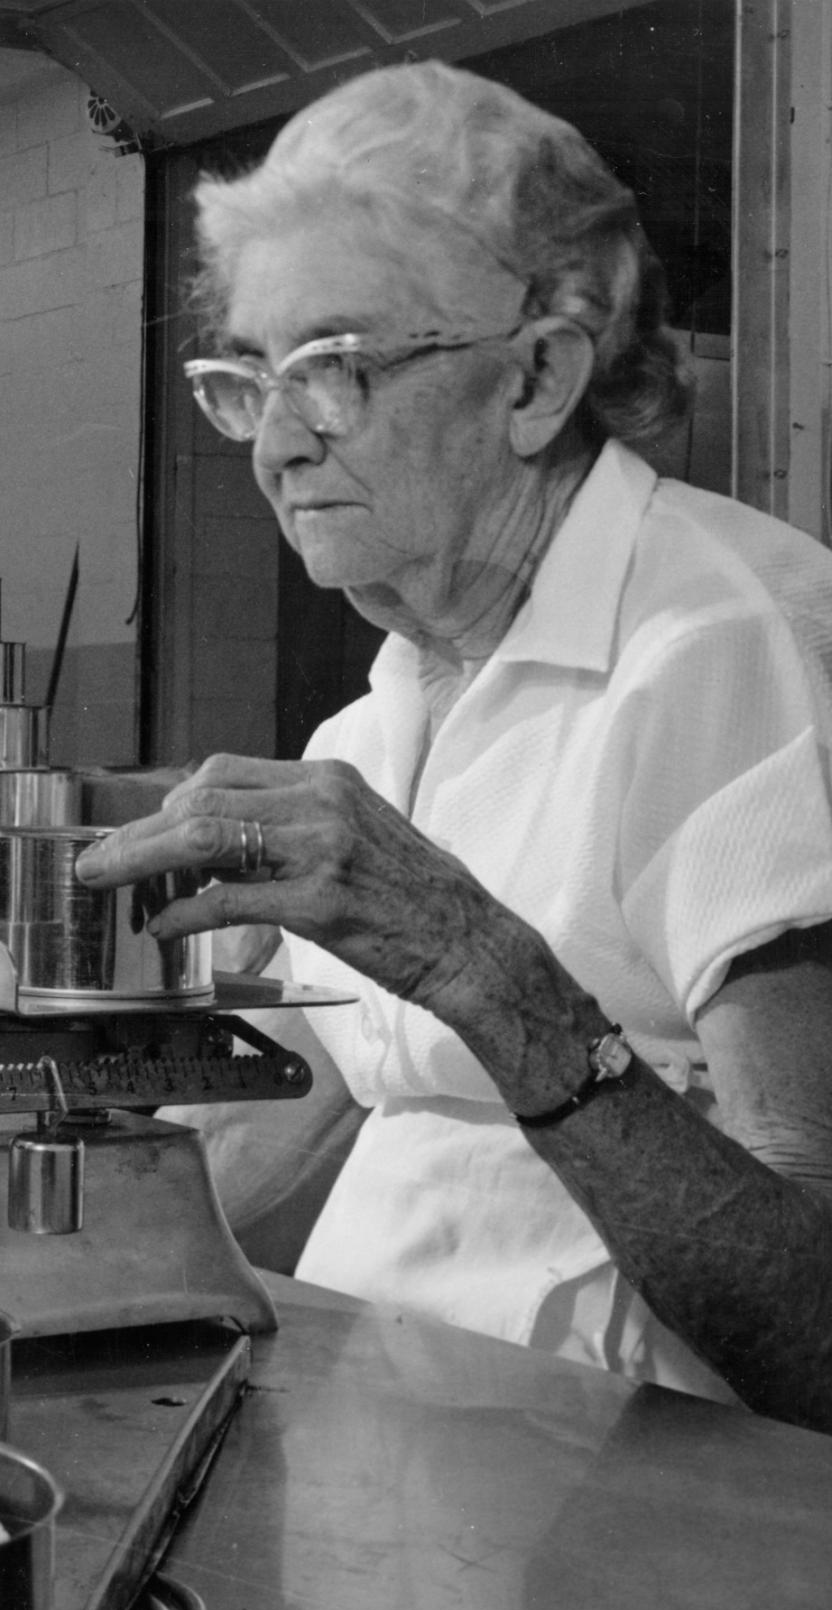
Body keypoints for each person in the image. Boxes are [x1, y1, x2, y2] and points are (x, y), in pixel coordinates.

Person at [74, 62, 832, 1428]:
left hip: (668, 1536)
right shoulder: (381, 716)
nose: (275, 450)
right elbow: (276, 1125)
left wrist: (474, 959)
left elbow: (820, 1324)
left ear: (537, 376)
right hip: (400, 1496)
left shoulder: (735, 647)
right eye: (250, 380)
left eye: (336, 371)